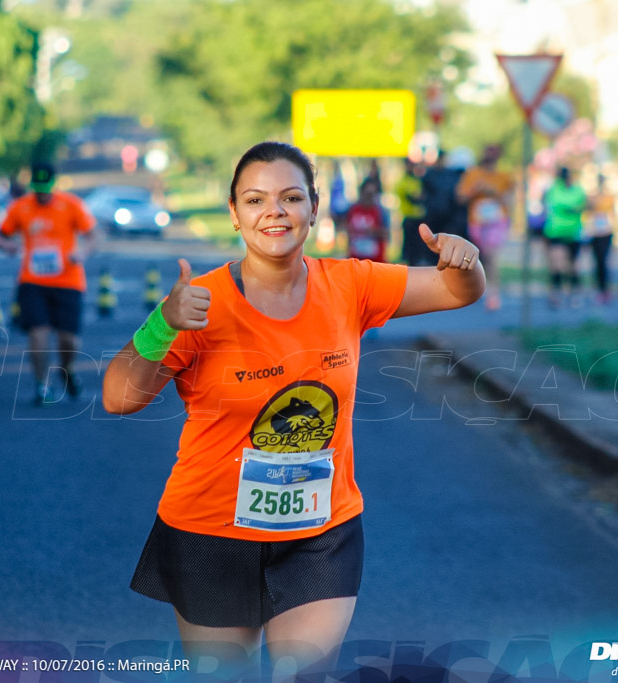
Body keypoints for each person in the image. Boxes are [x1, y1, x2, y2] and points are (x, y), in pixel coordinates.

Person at [102, 141, 484, 679]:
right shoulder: (199, 305)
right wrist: (163, 322)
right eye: (255, 200)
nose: (274, 211)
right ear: (234, 215)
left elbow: (456, 289)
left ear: (314, 207)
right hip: (211, 532)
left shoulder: (350, 284)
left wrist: (464, 259)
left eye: (290, 197)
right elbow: (119, 398)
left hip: (319, 533)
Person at [0, 162, 97, 404]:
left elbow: (93, 235)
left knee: (68, 339)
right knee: (38, 332)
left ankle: (67, 370)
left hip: (68, 280)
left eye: (45, 190)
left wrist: (82, 253)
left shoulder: (71, 205)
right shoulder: (21, 207)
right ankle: (42, 385)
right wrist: (6, 245)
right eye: (37, 189)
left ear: (53, 186)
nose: (41, 195)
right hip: (32, 280)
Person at [456, 144, 514, 311]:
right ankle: (476, 289)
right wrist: (475, 190)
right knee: (478, 257)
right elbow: (460, 197)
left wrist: (493, 192)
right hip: (478, 221)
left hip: (496, 221)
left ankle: (493, 293)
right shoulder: (473, 175)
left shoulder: (503, 177)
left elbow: (510, 199)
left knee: (491, 256)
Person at [543, 166, 588, 308]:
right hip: (556, 232)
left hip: (574, 232)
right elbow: (558, 204)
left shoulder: (578, 190)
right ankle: (556, 294)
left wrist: (571, 208)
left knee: (574, 266)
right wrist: (571, 208)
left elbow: (582, 205)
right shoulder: (554, 189)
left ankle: (575, 293)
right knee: (557, 265)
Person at [341, 178, 388, 262]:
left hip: (375, 260)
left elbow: (386, 234)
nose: (369, 198)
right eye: (367, 194)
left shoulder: (380, 211)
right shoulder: (353, 210)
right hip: (356, 259)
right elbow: (348, 230)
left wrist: (374, 231)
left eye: (372, 195)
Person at [587, 174, 615, 304]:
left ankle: (605, 290)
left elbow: (613, 215)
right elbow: (588, 212)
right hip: (594, 232)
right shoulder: (592, 197)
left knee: (604, 262)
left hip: (606, 232)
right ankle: (598, 289)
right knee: (596, 262)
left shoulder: (610, 197)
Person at [395, 157, 426, 266]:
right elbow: (413, 198)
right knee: (408, 247)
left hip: (418, 218)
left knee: (418, 247)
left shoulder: (416, 180)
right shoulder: (403, 182)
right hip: (409, 217)